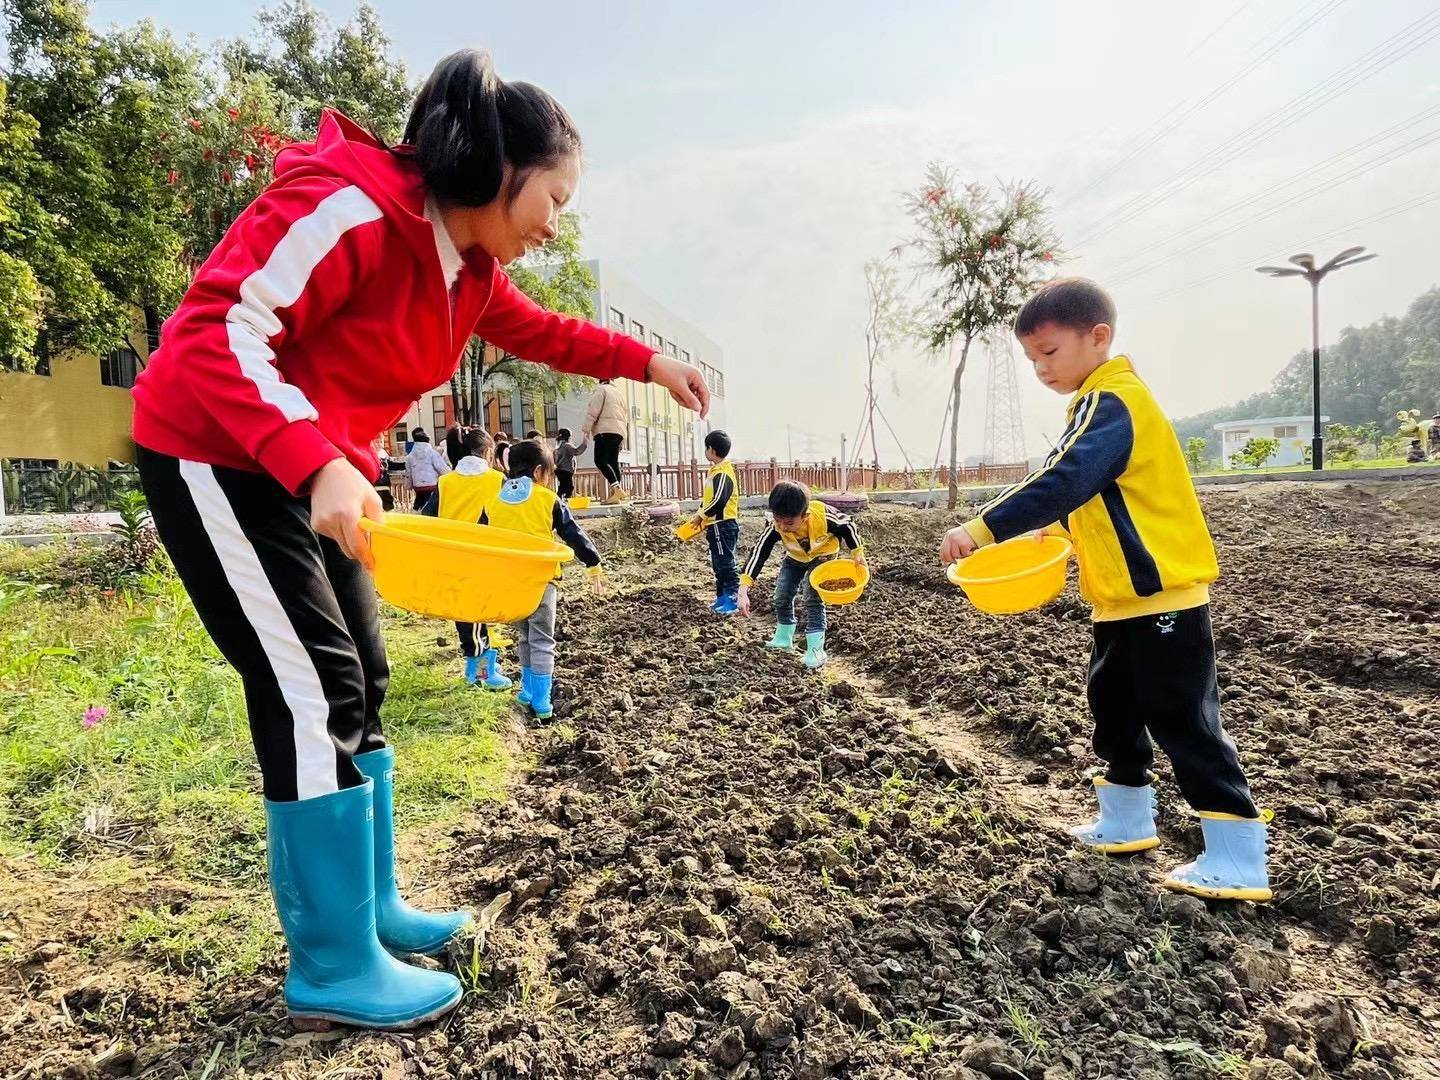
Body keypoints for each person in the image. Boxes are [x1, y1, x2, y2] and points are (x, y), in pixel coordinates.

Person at [129, 49, 710, 1031]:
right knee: (311, 688)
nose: (557, 223)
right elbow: (216, 330)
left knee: (363, 676)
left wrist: (645, 360)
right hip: (219, 452)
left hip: (310, 471)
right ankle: (331, 964)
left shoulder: (466, 269)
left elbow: (540, 330)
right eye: (556, 197)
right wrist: (315, 462)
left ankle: (373, 907)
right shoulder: (353, 205)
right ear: (497, 169)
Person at [938, 277, 1269, 903]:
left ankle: (1237, 851)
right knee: (1112, 707)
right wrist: (1058, 535)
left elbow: (1065, 478)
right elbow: (1094, 497)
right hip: (1118, 599)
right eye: (1031, 359)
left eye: (1050, 353)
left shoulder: (1113, 400)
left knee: (1183, 719)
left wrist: (982, 527)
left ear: (1099, 338)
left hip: (1162, 596)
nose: (1040, 369)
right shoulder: (1094, 404)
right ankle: (1126, 821)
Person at [479, 439, 603, 719]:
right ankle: (542, 700)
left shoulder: (493, 501)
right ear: (538, 472)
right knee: (543, 640)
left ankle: (527, 690)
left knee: (524, 636)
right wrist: (593, 561)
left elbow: (482, 538)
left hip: (509, 583)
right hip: (541, 581)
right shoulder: (547, 499)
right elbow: (573, 534)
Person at [737, 480, 864, 670]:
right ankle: (783, 638)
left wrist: (857, 553)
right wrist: (744, 588)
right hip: (795, 557)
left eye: (789, 522)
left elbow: (848, 526)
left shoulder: (824, 517)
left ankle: (815, 650)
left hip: (823, 556)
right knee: (781, 595)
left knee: (812, 598)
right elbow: (759, 553)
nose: (783, 527)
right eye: (778, 520)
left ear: (804, 516)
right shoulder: (775, 526)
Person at [437, 429, 509, 689]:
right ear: (489, 452)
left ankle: (483, 664)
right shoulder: (496, 479)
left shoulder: (445, 482)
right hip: (482, 555)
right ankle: (479, 673)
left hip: (450, 554)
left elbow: (428, 514)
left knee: (466, 613)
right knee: (477, 613)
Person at [688, 430, 741, 614]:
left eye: (706, 448)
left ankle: (733, 599)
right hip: (715, 525)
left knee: (726, 562)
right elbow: (709, 499)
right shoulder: (716, 471)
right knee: (718, 562)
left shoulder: (723, 473)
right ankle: (722, 597)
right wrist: (700, 513)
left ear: (711, 450)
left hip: (723, 524)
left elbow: (719, 501)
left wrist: (702, 515)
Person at [584, 378, 629, 503]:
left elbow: (593, 411)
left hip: (604, 430)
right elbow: (625, 417)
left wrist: (586, 429)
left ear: (600, 381)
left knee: (600, 460)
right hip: (619, 432)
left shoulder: (601, 390)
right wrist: (623, 437)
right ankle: (617, 495)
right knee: (613, 462)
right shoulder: (619, 394)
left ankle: (617, 488)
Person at [406, 428, 450, 515]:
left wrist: (408, 485)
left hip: (417, 486)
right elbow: (442, 469)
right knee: (431, 506)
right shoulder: (432, 453)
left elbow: (408, 473)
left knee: (419, 501)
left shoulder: (410, 456)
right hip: (431, 485)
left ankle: (415, 515)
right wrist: (450, 473)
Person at [552, 427, 588, 500]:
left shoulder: (558, 446)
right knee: (568, 487)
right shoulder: (567, 445)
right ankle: (562, 500)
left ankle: (561, 499)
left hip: (559, 470)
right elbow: (577, 451)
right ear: (568, 437)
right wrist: (585, 442)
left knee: (563, 486)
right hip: (566, 470)